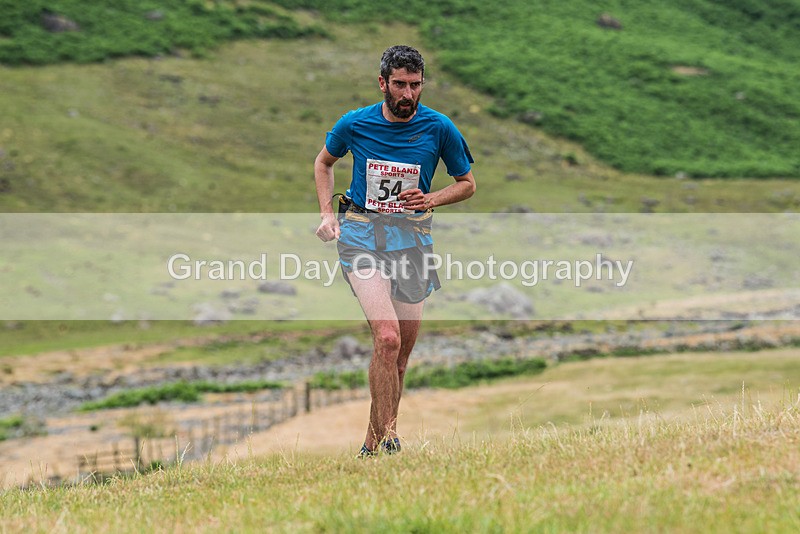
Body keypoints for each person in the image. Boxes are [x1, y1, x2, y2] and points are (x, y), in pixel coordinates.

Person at [314, 45, 476, 456]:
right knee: (387, 338)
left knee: (400, 355)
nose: (408, 94)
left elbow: (467, 184)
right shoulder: (355, 123)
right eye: (400, 84)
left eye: (415, 85)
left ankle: (372, 446)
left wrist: (431, 198)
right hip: (361, 234)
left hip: (413, 241)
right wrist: (327, 215)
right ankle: (389, 441)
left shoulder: (439, 127)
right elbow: (323, 163)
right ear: (382, 83)